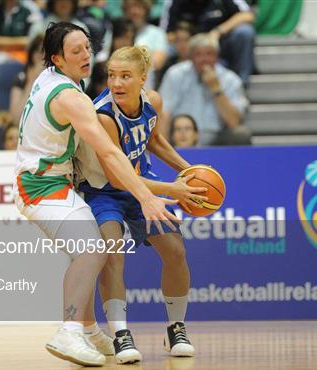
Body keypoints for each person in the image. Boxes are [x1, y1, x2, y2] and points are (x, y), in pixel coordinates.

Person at [13, 22, 179, 367]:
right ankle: (69, 331)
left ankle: (88, 330)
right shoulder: (71, 97)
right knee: (92, 250)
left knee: (93, 251)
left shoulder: (51, 78)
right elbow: (109, 154)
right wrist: (146, 196)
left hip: (56, 181)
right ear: (57, 58)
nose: (87, 55)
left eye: (87, 47)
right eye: (76, 52)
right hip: (42, 186)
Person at [75, 45, 207, 364]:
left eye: (125, 76)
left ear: (142, 79)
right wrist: (172, 190)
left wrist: (189, 172)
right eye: (111, 76)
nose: (116, 83)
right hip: (103, 190)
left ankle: (176, 328)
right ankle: (121, 334)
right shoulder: (104, 115)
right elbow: (118, 177)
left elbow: (154, 140)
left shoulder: (153, 101)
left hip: (140, 184)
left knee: (175, 251)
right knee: (112, 252)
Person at [159, 33, 251, 145]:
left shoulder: (230, 79)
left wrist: (216, 89)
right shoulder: (176, 74)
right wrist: (162, 148)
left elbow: (234, 122)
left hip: (216, 138)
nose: (204, 60)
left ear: (217, 57)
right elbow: (164, 113)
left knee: (241, 135)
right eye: (199, 54)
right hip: (181, 136)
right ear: (191, 57)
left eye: (209, 54)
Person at [165, 0, 256, 85]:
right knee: (166, 48)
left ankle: (241, 83)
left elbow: (247, 15)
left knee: (245, 32)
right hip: (190, 47)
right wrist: (184, 41)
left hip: (220, 44)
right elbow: (166, 33)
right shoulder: (174, 2)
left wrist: (217, 32)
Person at [9, 34, 45, 123]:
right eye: (38, 50)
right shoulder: (21, 77)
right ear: (31, 53)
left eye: (45, 51)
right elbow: (16, 117)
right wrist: (32, 80)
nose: (41, 55)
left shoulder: (57, 79)